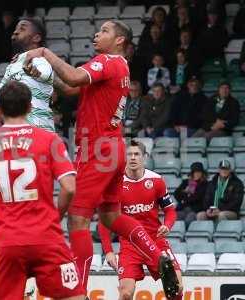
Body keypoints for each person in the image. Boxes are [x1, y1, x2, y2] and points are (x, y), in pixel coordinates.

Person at [23, 20, 179, 298]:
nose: (97, 33)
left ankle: (77, 292)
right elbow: (71, 88)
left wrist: (45, 53)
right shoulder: (119, 68)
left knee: (78, 221)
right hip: (114, 147)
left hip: (97, 151)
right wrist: (42, 75)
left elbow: (71, 77)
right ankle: (158, 258)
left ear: (120, 40)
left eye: (105, 31)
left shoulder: (107, 60)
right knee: (110, 216)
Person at [0, 81, 85, 299]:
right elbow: (69, 187)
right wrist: (56, 215)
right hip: (47, 237)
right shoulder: (50, 140)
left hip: (8, 240)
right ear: (30, 107)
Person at [98, 140, 183, 300]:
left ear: (144, 157)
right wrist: (108, 250)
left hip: (155, 240)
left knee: (176, 289)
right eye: (129, 154)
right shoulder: (115, 184)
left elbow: (170, 210)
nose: (133, 158)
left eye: (137, 154)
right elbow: (105, 220)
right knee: (125, 293)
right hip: (130, 244)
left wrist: (167, 225)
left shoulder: (156, 181)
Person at [174, 162, 208, 227]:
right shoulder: (186, 182)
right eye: (195, 172)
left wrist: (184, 198)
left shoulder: (205, 184)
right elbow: (176, 194)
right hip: (183, 208)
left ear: (202, 173)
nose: (197, 174)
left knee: (189, 219)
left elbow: (197, 197)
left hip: (196, 209)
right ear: (192, 173)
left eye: (199, 172)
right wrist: (185, 193)